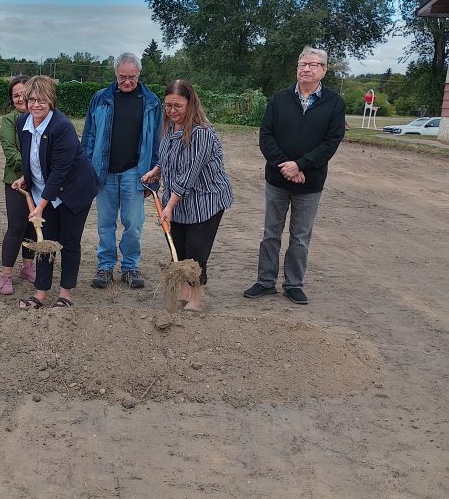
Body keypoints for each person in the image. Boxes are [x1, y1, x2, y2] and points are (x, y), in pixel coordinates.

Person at [243, 46, 346, 305]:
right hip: (277, 181)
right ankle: (265, 281)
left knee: (300, 237)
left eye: (312, 65)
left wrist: (300, 166)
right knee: (271, 233)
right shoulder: (279, 99)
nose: (306, 69)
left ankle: (293, 284)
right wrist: (285, 167)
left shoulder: (334, 103)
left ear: (323, 70)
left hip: (309, 183)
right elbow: (266, 136)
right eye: (302, 64)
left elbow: (331, 142)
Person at [141, 80, 233, 312]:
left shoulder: (201, 132)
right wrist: (157, 169)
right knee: (178, 247)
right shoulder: (171, 126)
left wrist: (168, 207)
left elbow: (189, 175)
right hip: (178, 199)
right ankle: (183, 292)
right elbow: (169, 155)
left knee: (195, 251)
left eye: (178, 106)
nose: (172, 111)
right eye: (168, 105)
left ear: (190, 103)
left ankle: (196, 299)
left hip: (205, 200)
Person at [12, 76, 97, 309]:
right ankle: (40, 294)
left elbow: (60, 171)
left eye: (42, 100)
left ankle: (65, 295)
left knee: (69, 242)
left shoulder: (62, 126)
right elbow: (33, 159)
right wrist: (25, 178)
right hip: (46, 190)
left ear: (51, 101)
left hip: (73, 192)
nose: (36, 105)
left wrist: (40, 207)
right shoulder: (23, 124)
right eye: (31, 100)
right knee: (44, 242)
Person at [82, 52, 162, 290]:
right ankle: (105, 266)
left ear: (139, 74)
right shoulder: (100, 98)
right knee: (105, 223)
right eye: (122, 77)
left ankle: (130, 266)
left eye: (132, 77)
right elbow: (89, 136)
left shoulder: (152, 102)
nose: (127, 82)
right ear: (115, 74)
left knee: (133, 224)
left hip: (136, 172)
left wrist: (154, 178)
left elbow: (157, 141)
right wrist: (86, 170)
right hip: (104, 172)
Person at [0, 75, 37, 295]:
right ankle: (5, 274)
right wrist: (37, 166)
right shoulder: (11, 120)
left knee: (33, 225)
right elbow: (11, 152)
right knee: (16, 227)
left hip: (39, 183)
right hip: (16, 182)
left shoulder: (42, 118)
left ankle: (28, 268)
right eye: (15, 95)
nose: (20, 99)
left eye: (24, 94)